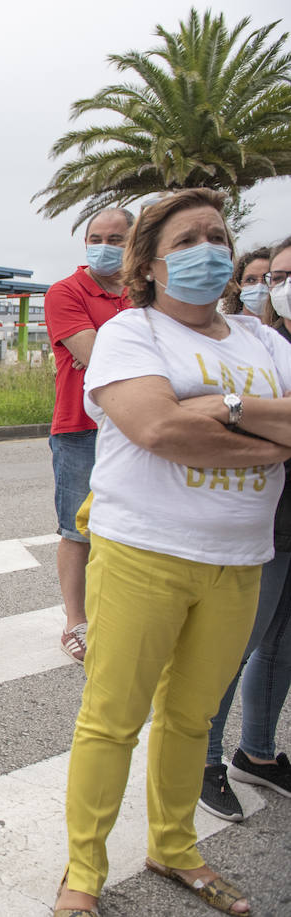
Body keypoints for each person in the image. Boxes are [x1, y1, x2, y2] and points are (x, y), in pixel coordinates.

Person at [53, 189, 290, 917]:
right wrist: (269, 430)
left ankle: (174, 845)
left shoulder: (267, 343)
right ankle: (83, 873)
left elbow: (179, 417)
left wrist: (219, 404)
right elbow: (155, 428)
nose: (209, 250)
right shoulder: (132, 334)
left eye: (217, 235)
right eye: (186, 239)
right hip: (143, 551)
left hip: (241, 557)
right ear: (150, 264)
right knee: (112, 718)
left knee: (191, 717)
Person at [198, 234, 291, 823]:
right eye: (273, 276)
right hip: (265, 521)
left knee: (282, 645)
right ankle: (200, 762)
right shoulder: (262, 351)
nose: (276, 286)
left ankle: (255, 752)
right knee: (232, 647)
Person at [43, 207, 135, 665]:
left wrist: (106, 355)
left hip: (138, 426)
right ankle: (75, 621)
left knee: (131, 526)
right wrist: (118, 354)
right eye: (96, 237)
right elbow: (96, 357)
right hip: (81, 426)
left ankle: (117, 613)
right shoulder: (66, 292)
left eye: (116, 238)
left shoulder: (145, 294)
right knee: (77, 528)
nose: (104, 246)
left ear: (135, 242)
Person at [219, 247, 271, 317]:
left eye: (267, 279)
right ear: (238, 285)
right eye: (250, 280)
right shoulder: (228, 326)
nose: (259, 286)